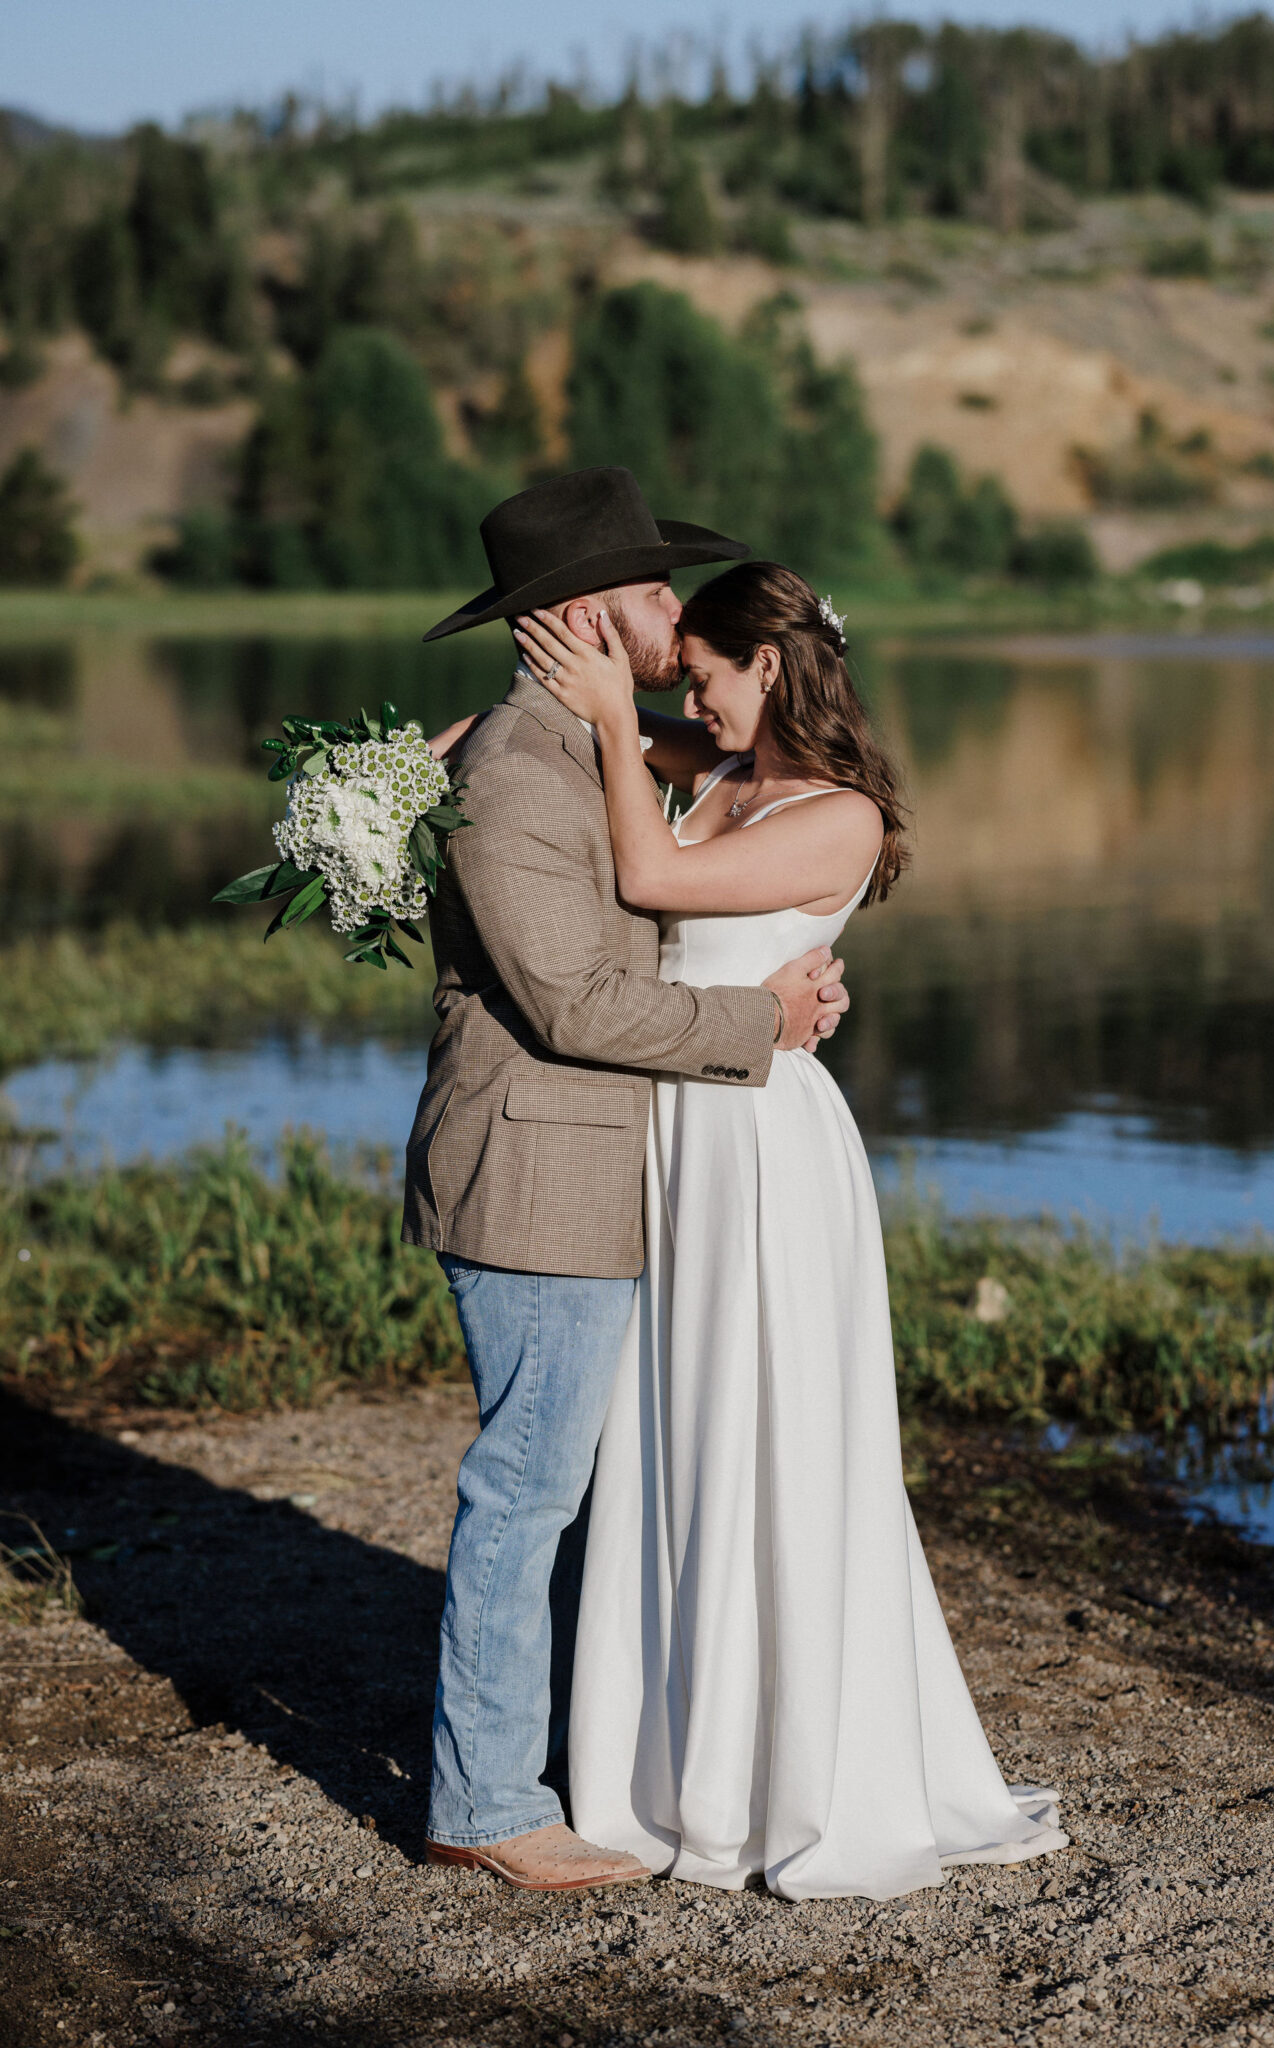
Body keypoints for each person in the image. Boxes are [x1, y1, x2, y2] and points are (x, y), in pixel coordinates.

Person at [511, 559, 1068, 1901]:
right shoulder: (712, 758)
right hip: (668, 1133)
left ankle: (792, 1776)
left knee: (773, 1439)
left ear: (770, 664)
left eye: (704, 669)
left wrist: (603, 721)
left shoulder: (842, 818)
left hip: (759, 1148)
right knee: (678, 1433)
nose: (682, 690)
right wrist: (385, 780)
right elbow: (513, 746)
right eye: (678, 672)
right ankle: (677, 1757)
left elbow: (645, 878)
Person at [403, 468, 850, 1893]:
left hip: (616, 1167)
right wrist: (759, 1024)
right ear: (588, 615)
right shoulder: (520, 779)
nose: (675, 612)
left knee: (588, 1489)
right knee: (527, 1491)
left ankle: (592, 1761)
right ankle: (482, 1800)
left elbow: (707, 781)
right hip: (539, 1169)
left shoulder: (567, 742)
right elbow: (574, 1004)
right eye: (654, 592)